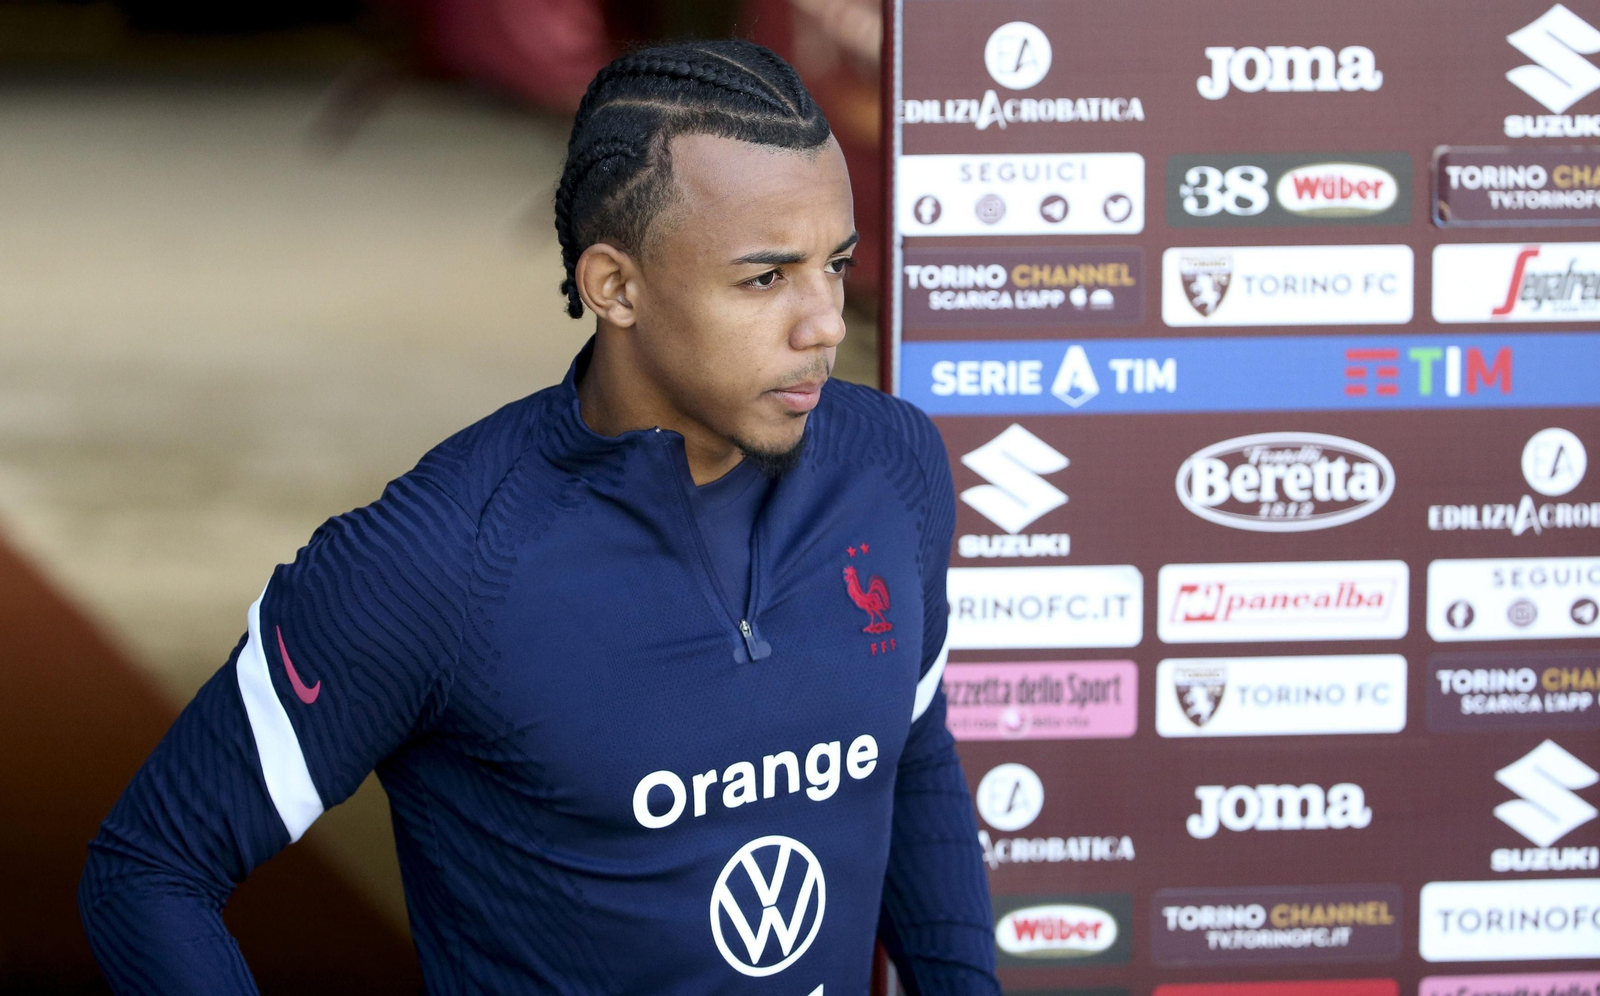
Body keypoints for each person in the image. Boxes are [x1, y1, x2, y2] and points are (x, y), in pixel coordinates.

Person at [80, 39, 999, 995]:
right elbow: (151, 870)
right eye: (765, 279)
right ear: (615, 286)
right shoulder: (432, 563)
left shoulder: (895, 465)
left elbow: (914, 746)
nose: (822, 324)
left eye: (834, 264)